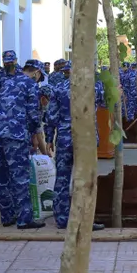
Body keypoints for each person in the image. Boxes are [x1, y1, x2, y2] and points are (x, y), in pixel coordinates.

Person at [0, 50, 44, 230]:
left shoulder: (1, 81)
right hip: (16, 135)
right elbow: (33, 114)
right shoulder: (29, 83)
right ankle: (24, 219)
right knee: (20, 176)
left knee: (2, 177)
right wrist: (35, 134)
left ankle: (7, 216)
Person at [48, 61, 106, 232]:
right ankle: (85, 219)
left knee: (62, 179)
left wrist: (49, 138)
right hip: (86, 139)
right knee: (85, 180)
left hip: (65, 138)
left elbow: (51, 117)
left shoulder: (58, 88)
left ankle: (62, 218)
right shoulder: (93, 87)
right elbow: (105, 103)